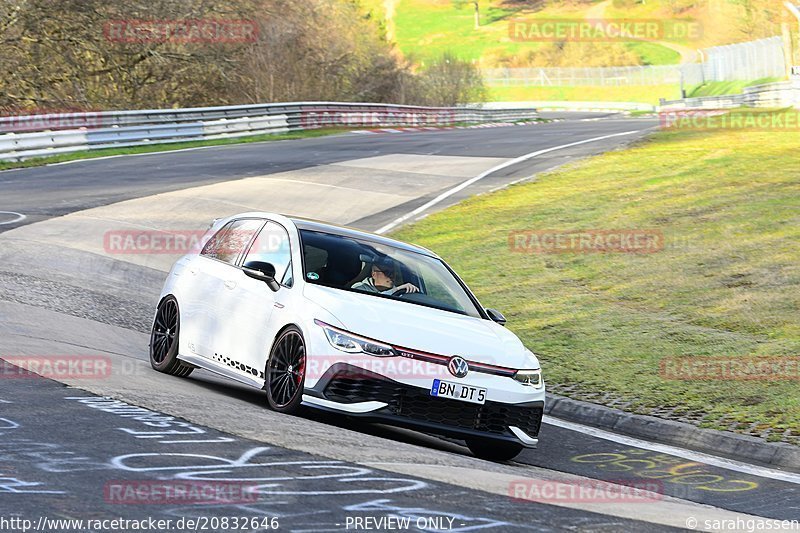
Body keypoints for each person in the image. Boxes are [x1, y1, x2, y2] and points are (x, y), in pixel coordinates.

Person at [351, 258, 419, 295]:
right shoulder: (359, 287)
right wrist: (396, 290)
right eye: (386, 272)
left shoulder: (400, 291)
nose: (391, 275)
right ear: (374, 274)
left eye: (392, 272)